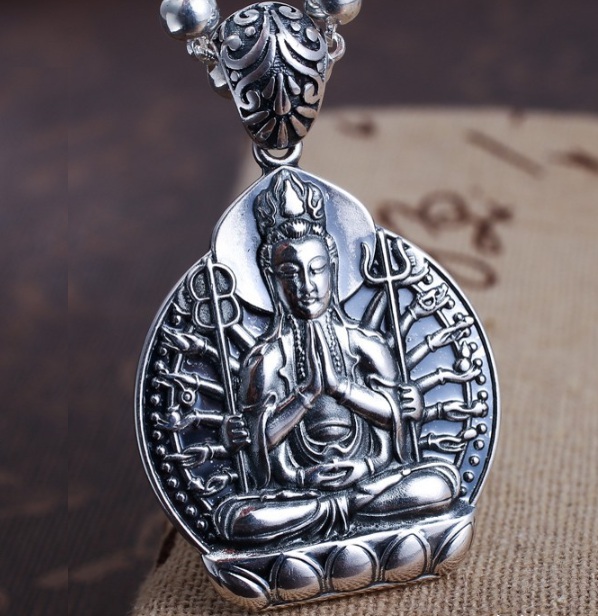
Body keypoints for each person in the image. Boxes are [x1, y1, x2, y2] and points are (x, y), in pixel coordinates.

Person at [213, 169, 460, 545]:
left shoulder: (366, 344)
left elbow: (394, 435)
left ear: (333, 266)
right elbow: (261, 454)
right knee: (235, 518)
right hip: (300, 493)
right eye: (291, 273)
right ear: (272, 278)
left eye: (316, 270)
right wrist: (308, 395)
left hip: (371, 483)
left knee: (440, 483)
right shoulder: (266, 360)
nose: (306, 286)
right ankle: (350, 523)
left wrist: (343, 389)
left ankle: (337, 521)